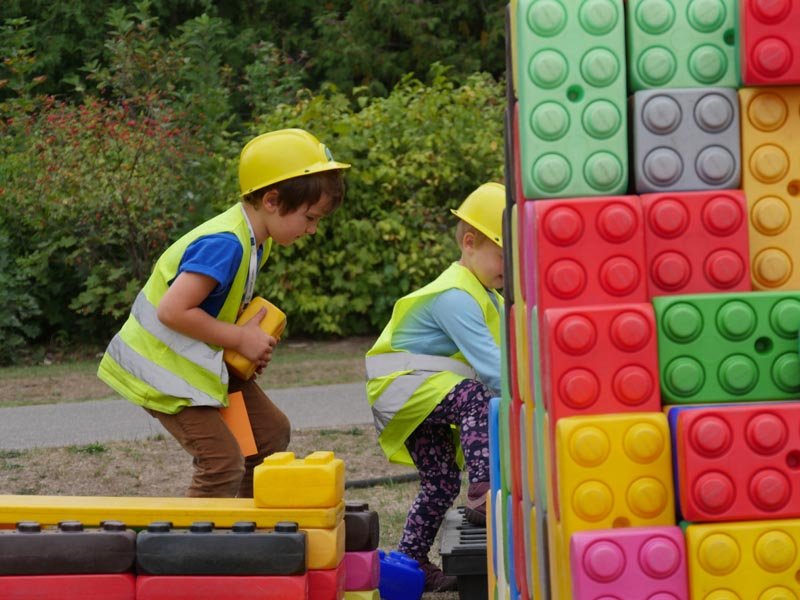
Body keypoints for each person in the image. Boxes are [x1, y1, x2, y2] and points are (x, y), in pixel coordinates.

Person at [97, 128, 350, 498]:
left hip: (193, 365)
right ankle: (187, 552)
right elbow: (172, 310)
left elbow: (212, 307)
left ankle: (243, 534)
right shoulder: (225, 243)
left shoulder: (254, 243)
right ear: (272, 200)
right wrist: (240, 338)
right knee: (221, 463)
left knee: (269, 435)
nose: (312, 229)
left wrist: (243, 344)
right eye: (310, 217)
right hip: (161, 371)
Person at [365, 182, 505, 593]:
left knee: (442, 481)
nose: (507, 270)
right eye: (502, 257)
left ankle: (410, 561)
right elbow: (494, 371)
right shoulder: (455, 296)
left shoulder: (486, 294)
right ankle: (483, 490)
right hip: (404, 387)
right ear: (469, 243)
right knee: (478, 395)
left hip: (424, 392)